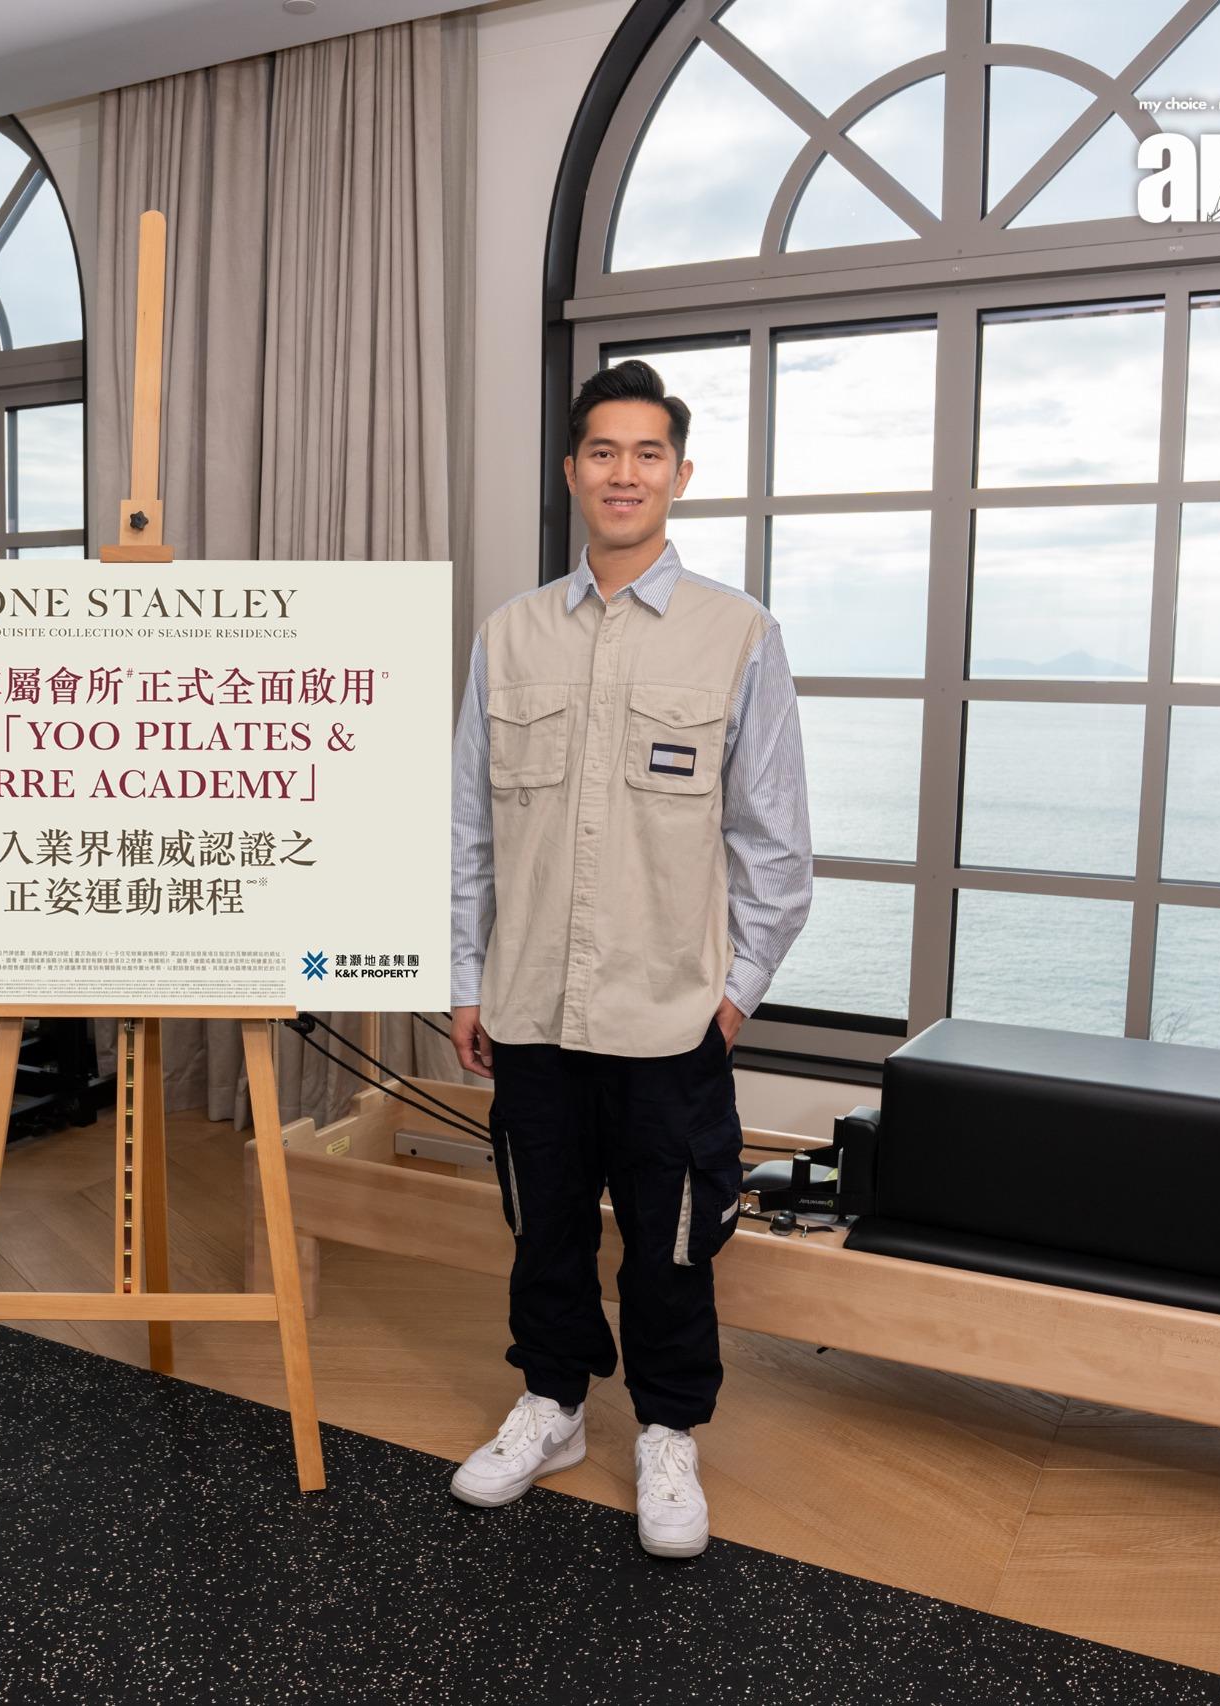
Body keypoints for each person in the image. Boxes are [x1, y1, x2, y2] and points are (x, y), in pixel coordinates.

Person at [445, 359, 811, 1557]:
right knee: (542, 1224)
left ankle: (666, 1432)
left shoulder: (738, 634)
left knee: (671, 1240)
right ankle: (551, 1405)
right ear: (571, 470)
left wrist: (733, 995)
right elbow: (467, 827)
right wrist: (464, 977)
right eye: (602, 451)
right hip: (531, 1007)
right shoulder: (509, 635)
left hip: (669, 1016)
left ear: (679, 475)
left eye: (647, 453)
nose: (623, 473)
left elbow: (774, 844)